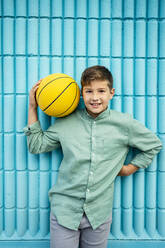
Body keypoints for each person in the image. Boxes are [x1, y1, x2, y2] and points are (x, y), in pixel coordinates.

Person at [23, 65, 162, 248]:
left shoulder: (124, 124)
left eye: (101, 91)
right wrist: (33, 107)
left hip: (99, 214)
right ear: (81, 93)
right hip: (64, 211)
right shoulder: (65, 122)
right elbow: (36, 145)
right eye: (89, 91)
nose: (95, 97)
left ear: (111, 93)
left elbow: (153, 145)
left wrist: (129, 168)